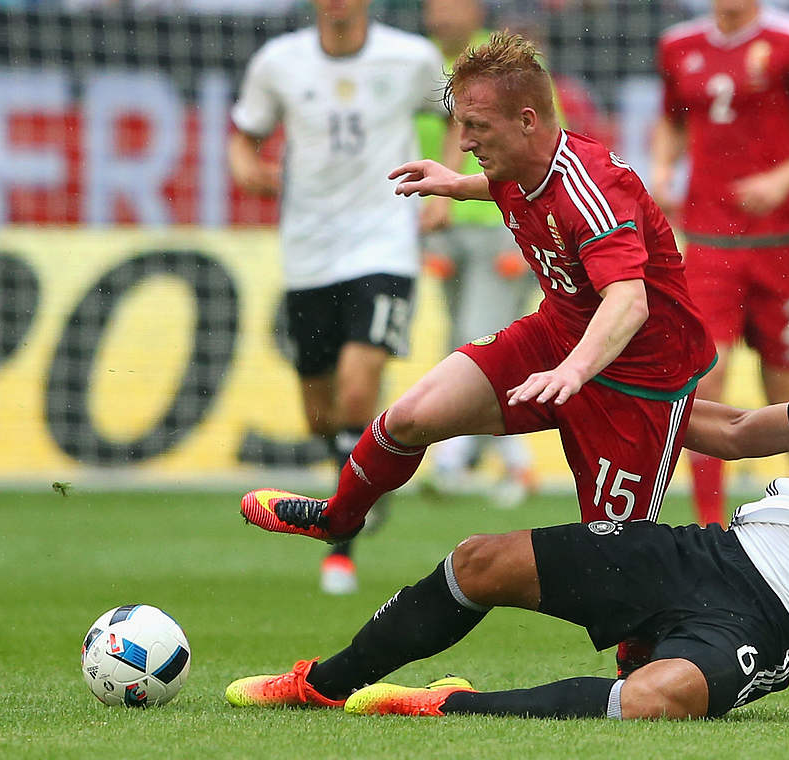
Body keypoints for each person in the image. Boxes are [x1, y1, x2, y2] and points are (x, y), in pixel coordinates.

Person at [224, 284, 789, 726]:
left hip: (778, 630)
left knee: (645, 703)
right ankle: (319, 684)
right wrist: (608, 386)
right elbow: (730, 431)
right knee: (478, 561)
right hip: (712, 555)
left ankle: (442, 706)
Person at [239, 33, 717, 676]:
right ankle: (339, 517)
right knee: (410, 417)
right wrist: (455, 185)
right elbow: (509, 188)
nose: (463, 139)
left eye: (475, 126)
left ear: (527, 120)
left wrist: (574, 371)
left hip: (640, 381)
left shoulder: (594, 187)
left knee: (617, 565)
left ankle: (646, 670)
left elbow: (628, 302)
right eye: (461, 124)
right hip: (556, 335)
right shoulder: (519, 163)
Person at [228, 0, 451, 595]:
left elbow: (460, 114)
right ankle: (361, 479)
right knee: (319, 411)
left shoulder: (411, 57)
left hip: (384, 243)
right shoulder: (279, 62)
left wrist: (445, 189)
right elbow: (244, 136)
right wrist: (247, 167)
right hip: (308, 250)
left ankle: (342, 539)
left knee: (359, 382)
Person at [652, 0, 789, 527]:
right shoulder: (679, 45)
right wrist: (661, 167)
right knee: (706, 379)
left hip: (780, 243)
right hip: (707, 242)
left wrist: (783, 179)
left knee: (783, 395)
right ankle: (709, 527)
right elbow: (672, 120)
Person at [414, 0, 540, 508]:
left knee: (477, 345)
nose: (442, 12)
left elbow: (542, 143)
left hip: (500, 225)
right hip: (446, 225)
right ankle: (506, 464)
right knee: (465, 342)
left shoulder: (501, 59)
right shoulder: (417, 63)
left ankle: (453, 461)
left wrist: (526, 240)